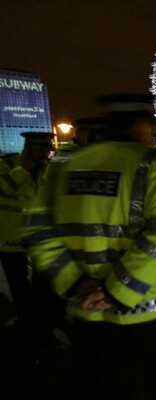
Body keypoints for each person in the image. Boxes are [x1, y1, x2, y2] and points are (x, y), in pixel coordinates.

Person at [26, 93, 156, 400]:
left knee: (99, 386)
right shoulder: (151, 164)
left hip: (87, 308)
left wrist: (73, 283)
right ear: (142, 127)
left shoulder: (66, 165)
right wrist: (116, 291)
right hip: (151, 307)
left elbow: (38, 229)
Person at [0, 131, 55, 372]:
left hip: (37, 239)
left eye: (48, 151)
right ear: (28, 150)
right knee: (22, 294)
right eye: (42, 151)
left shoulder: (46, 170)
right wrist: (23, 169)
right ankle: (24, 348)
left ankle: (35, 339)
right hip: (9, 241)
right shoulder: (6, 165)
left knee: (41, 292)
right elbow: (4, 190)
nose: (46, 156)